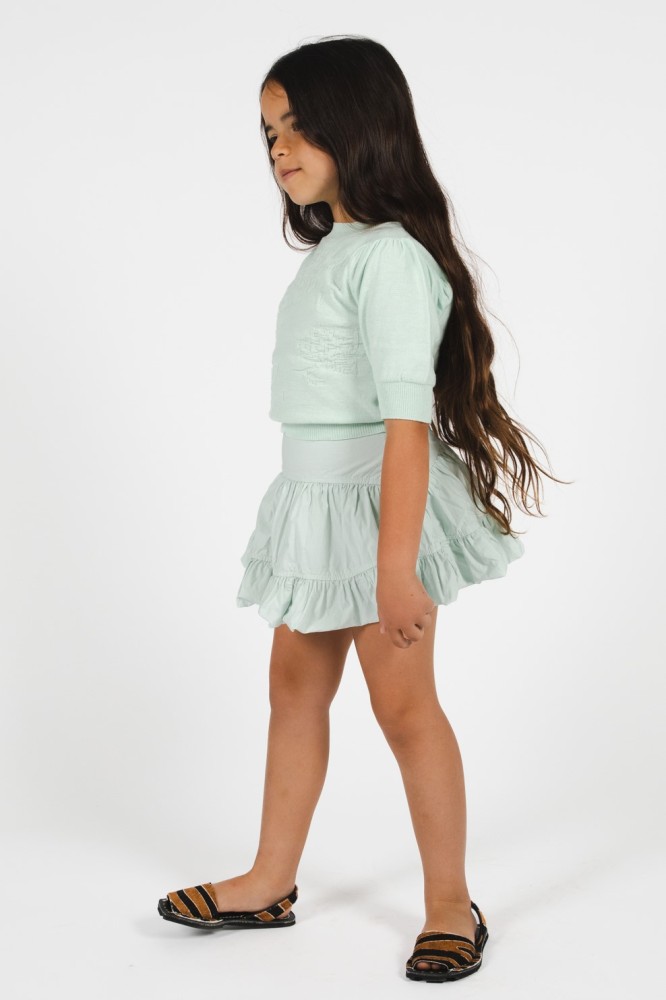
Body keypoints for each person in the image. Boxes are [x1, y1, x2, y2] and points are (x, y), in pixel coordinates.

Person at [157, 35, 567, 983]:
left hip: (380, 507)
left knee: (405, 709)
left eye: (299, 126)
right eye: (269, 132)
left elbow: (405, 424)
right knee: (293, 692)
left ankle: (450, 903)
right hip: (315, 508)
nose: (279, 148)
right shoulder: (336, 251)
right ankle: (270, 879)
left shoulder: (390, 259)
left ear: (362, 127)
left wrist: (395, 566)